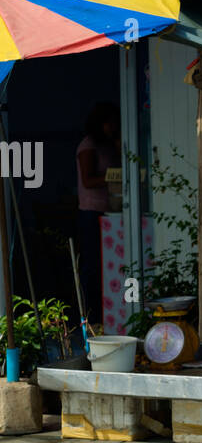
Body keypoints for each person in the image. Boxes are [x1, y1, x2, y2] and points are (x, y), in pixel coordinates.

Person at [75, 101, 121, 321]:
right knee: (93, 265)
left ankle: (108, 312)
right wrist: (114, 178)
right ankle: (90, 315)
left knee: (109, 264)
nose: (113, 127)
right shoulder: (89, 145)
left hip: (110, 211)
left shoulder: (108, 144)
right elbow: (88, 179)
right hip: (92, 212)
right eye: (109, 123)